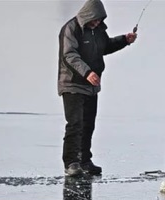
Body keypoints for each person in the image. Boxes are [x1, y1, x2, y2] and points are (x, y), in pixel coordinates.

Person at [58, 0, 137, 176]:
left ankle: (84, 161)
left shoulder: (99, 29)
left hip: (91, 86)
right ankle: (71, 163)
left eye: (100, 20)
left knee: (88, 124)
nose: (97, 22)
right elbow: (69, 55)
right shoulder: (71, 29)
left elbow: (105, 47)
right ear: (87, 15)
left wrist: (124, 40)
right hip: (72, 84)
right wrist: (87, 73)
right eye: (95, 19)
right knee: (75, 124)